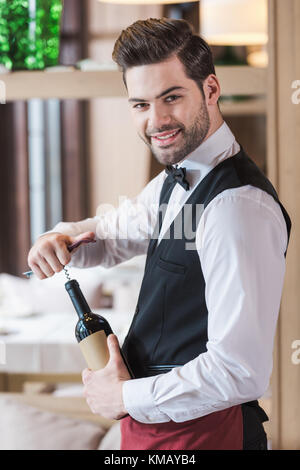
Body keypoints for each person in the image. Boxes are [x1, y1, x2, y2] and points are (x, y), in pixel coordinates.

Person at [27, 18, 291, 450]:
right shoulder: (177, 177)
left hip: (209, 436)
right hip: (157, 433)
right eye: (140, 105)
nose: (157, 120)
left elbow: (240, 369)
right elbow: (114, 233)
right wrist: (61, 237)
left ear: (210, 89)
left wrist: (123, 395)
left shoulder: (236, 208)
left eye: (171, 98)